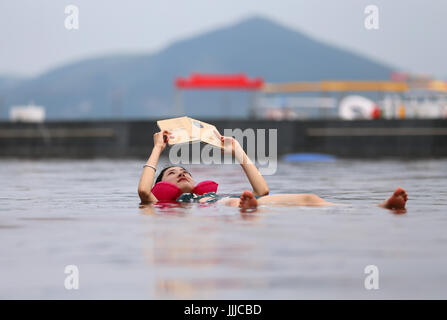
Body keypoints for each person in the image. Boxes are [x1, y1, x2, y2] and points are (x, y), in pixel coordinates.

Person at [138, 130, 408, 212]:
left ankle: (380, 206)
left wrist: (238, 152)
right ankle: (246, 208)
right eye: (173, 173)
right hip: (230, 210)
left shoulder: (207, 197)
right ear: (163, 185)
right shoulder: (163, 204)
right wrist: (157, 149)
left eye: (185, 170)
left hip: (238, 203)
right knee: (242, 203)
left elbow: (263, 191)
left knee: (310, 198)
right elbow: (143, 190)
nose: (182, 173)